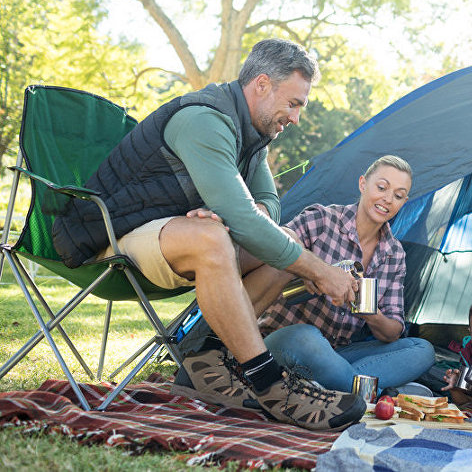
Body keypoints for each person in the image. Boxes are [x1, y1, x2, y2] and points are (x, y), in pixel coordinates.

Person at [51, 39, 365, 431]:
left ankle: (208, 358)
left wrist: (235, 214)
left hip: (167, 233)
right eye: (295, 103)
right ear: (262, 85)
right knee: (215, 239)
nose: (297, 118)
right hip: (110, 237)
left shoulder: (251, 135)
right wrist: (319, 271)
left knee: (284, 241)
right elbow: (245, 219)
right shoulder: (205, 119)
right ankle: (268, 384)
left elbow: (267, 204)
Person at [246, 155, 435, 394]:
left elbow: (393, 331)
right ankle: (366, 391)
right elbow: (275, 246)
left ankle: (336, 386)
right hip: (286, 340)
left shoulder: (394, 254)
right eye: (381, 187)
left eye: (398, 195)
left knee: (422, 349)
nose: (387, 199)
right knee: (307, 336)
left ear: (403, 202)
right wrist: (310, 271)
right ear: (363, 184)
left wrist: (369, 312)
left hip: (337, 353)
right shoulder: (322, 220)